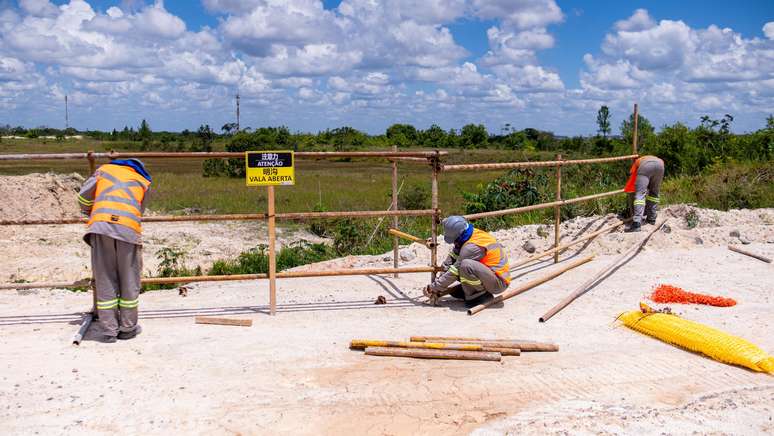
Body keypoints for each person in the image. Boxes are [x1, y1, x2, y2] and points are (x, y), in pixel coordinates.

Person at [78, 158, 151, 342]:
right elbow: (139, 209)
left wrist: (91, 210)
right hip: (128, 230)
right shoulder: (143, 181)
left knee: (105, 277)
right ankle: (127, 328)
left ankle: (109, 330)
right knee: (129, 279)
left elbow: (83, 197)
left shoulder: (104, 171)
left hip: (101, 228)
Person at [425, 216, 510, 308]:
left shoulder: (472, 247)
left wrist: (433, 287)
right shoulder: (469, 235)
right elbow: (452, 258)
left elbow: (454, 271)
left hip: (498, 283)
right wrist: (439, 280)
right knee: (462, 267)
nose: (454, 243)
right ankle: (472, 290)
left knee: (465, 265)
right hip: (489, 275)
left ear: (458, 235)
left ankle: (479, 297)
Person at [623, 155, 664, 232]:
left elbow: (632, 174)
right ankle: (651, 219)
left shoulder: (638, 162)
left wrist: (632, 188)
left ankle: (637, 223)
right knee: (654, 193)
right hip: (660, 165)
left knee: (640, 194)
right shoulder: (652, 158)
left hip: (646, 166)